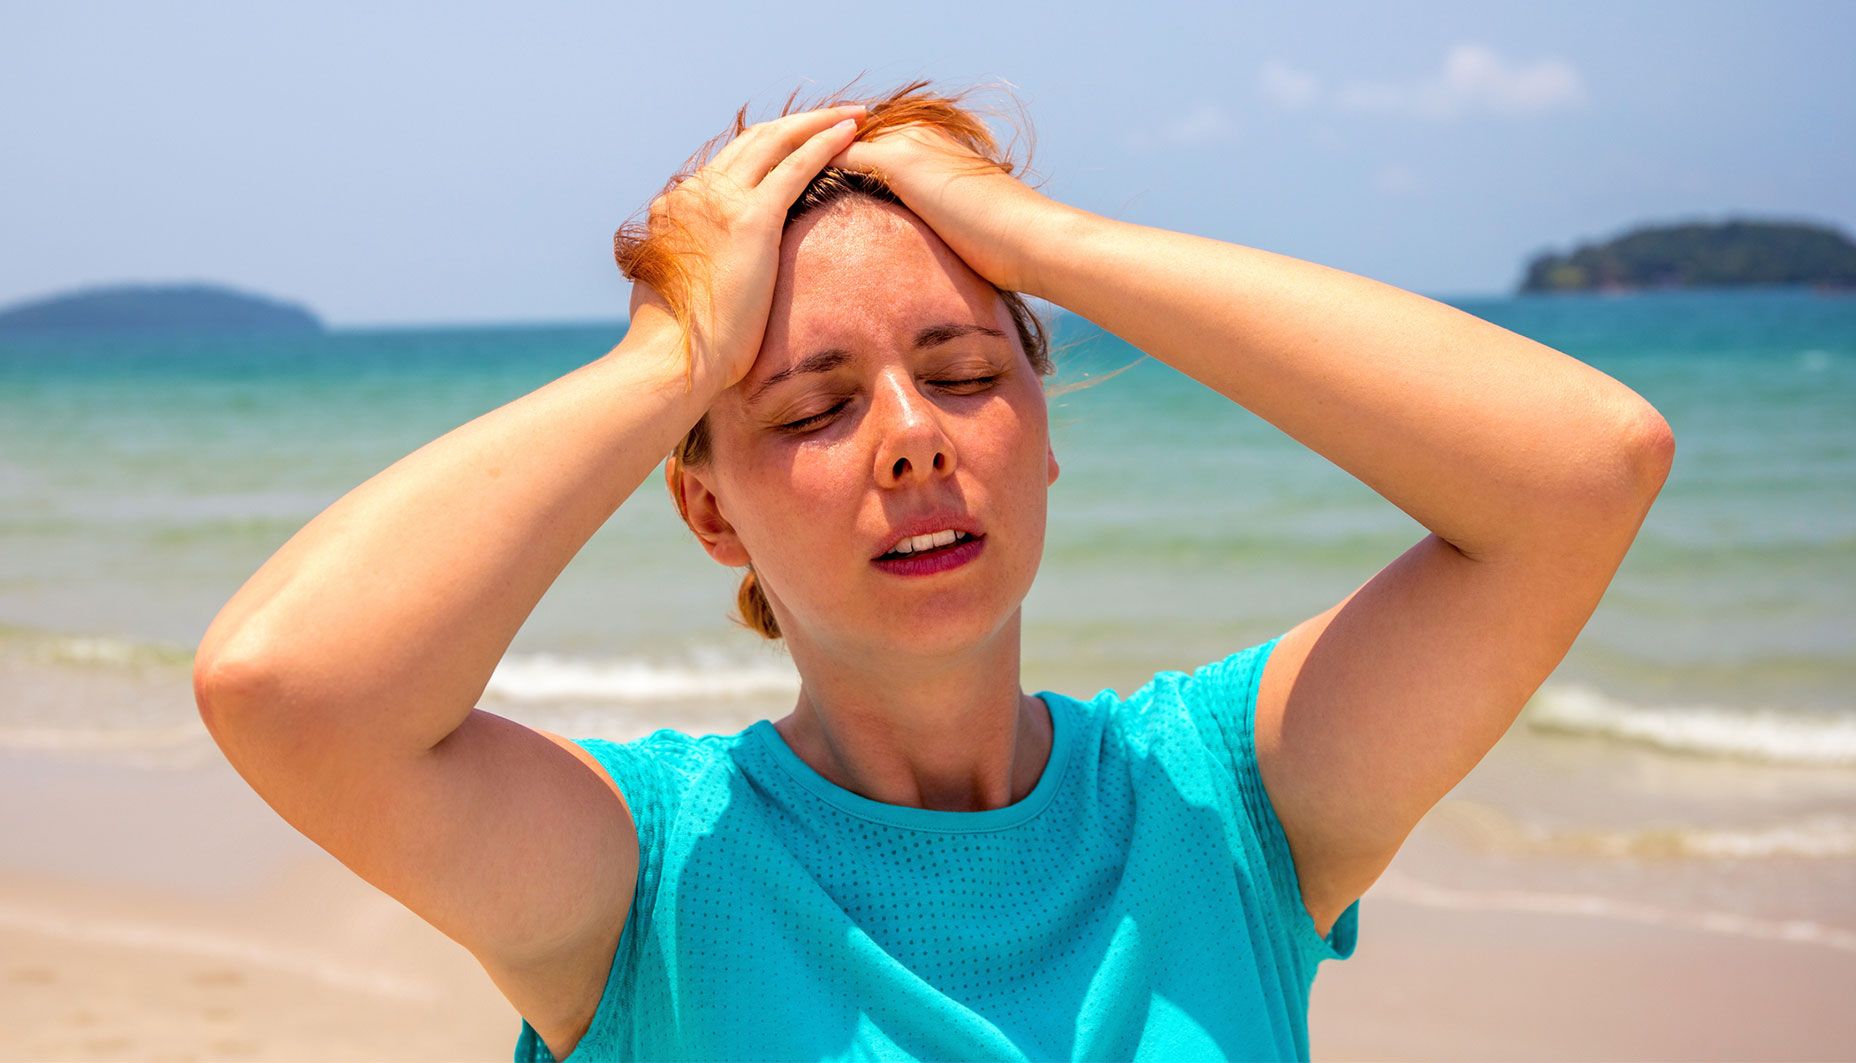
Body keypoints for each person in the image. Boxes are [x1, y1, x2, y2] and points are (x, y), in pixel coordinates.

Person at [192, 79, 1674, 1061]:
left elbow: (1580, 470)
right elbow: (289, 689)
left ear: (1043, 439)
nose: (908, 440)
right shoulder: (651, 875)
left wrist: (1048, 244)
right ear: (709, 515)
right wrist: (672, 356)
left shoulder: (1228, 804)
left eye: (964, 372)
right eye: (813, 407)